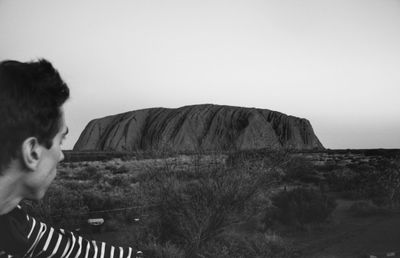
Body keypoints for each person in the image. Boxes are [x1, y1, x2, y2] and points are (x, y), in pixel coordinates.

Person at [0, 59, 138, 257]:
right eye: (61, 141)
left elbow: (72, 249)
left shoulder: (10, 221)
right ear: (32, 152)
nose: (61, 156)